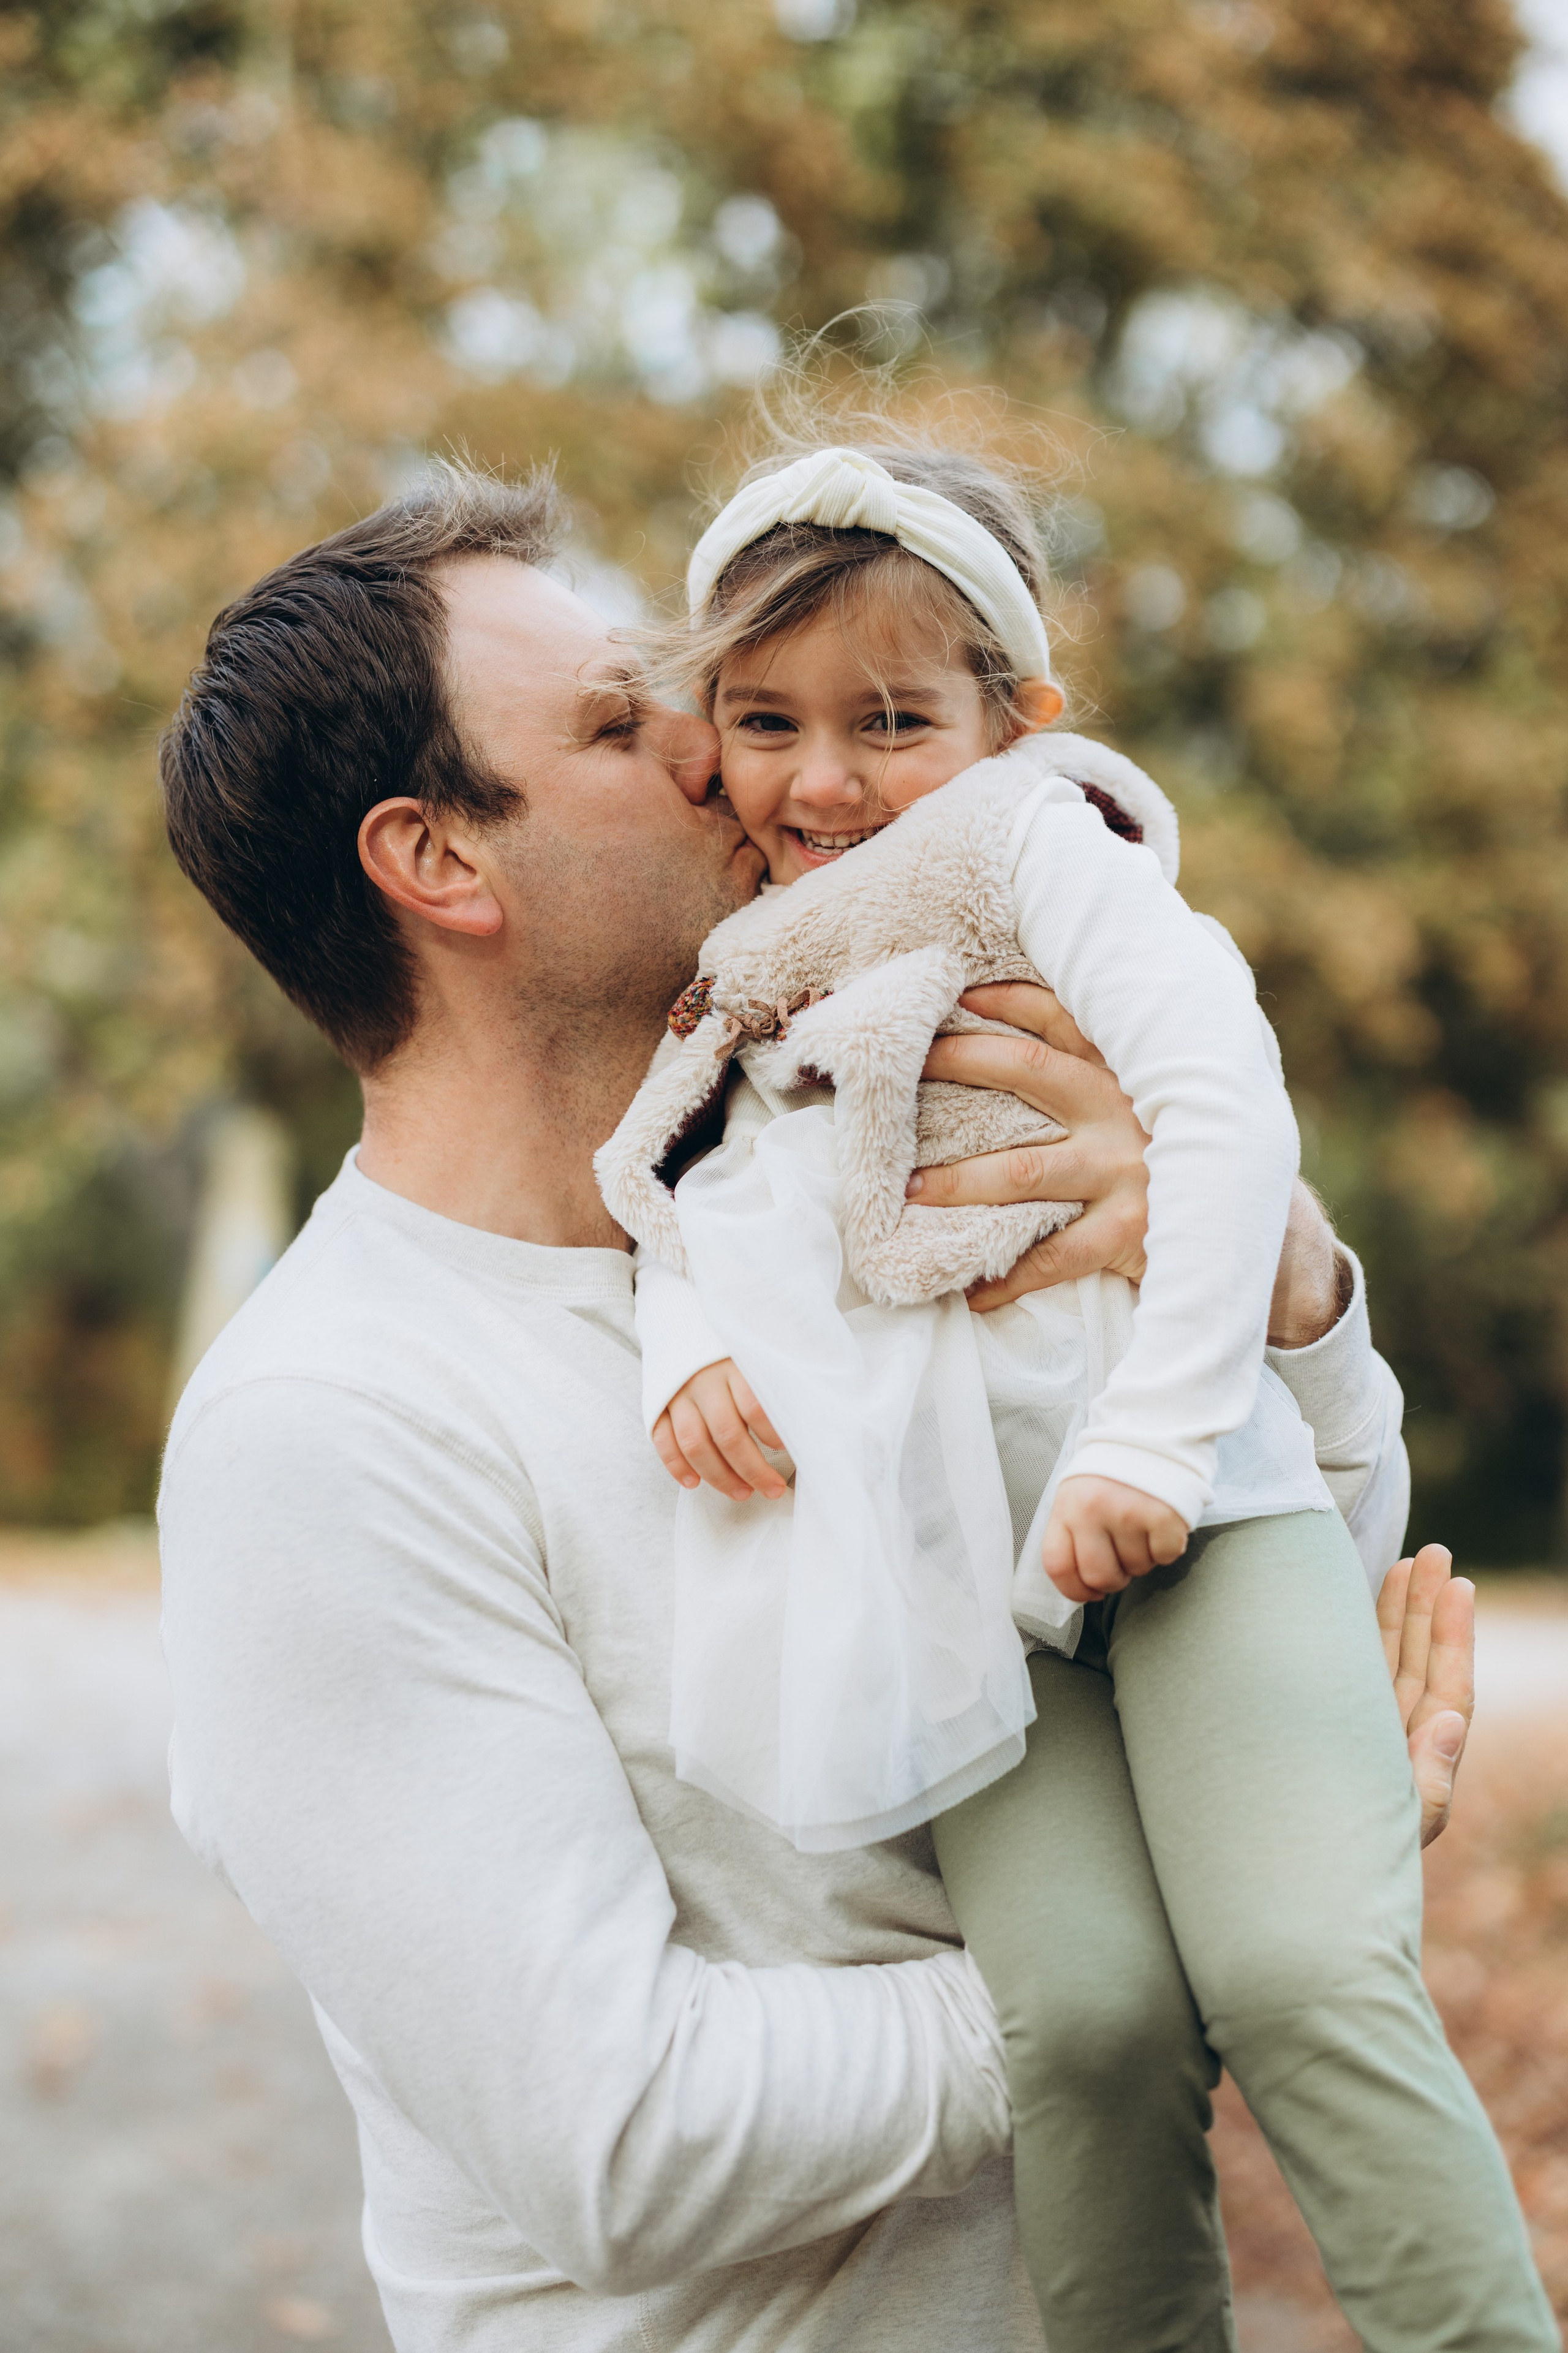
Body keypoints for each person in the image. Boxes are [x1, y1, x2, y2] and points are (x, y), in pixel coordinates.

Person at [157, 461, 1482, 2353]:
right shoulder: (330, 1427)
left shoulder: (838, 1180)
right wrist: (1193, 1932)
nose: (718, 744)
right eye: (621, 721)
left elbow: (1225, 1596)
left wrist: (1286, 1296)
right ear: (440, 860)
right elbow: (627, 2134)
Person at [593, 436, 1553, 2352]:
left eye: (890, 719)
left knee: (1300, 1967)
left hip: (1191, 1510)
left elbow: (1224, 1106)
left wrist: (1156, 1440)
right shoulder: (746, 968)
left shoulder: (1037, 846)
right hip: (973, 1585)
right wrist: (678, 1334)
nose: (823, 778)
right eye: (769, 722)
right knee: (1087, 2022)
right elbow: (689, 1192)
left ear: (1013, 718)